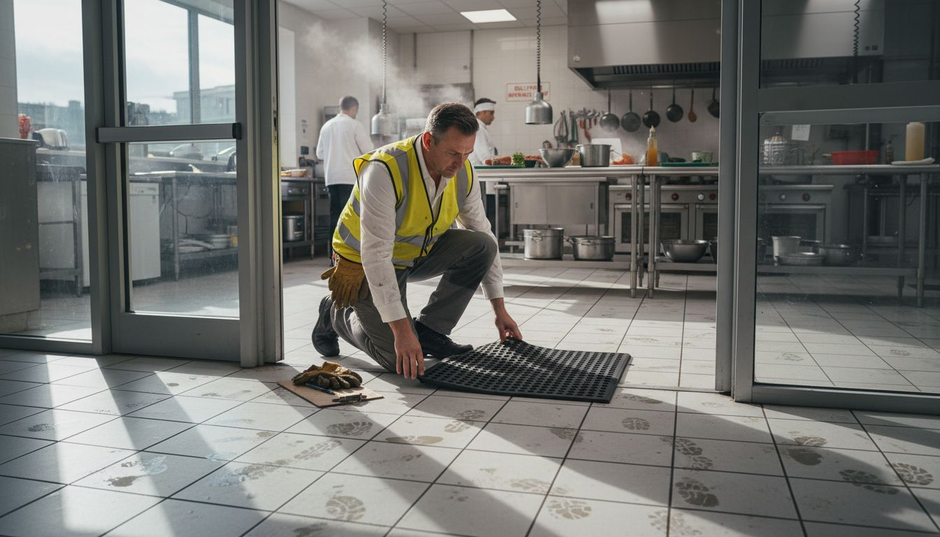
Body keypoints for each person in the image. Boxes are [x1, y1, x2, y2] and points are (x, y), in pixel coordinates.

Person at [313, 103, 523, 379]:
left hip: (414, 254)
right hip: (363, 263)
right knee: (395, 359)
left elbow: (484, 231)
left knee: (482, 244)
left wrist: (500, 309)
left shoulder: (464, 172)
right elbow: (376, 255)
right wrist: (401, 332)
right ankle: (335, 312)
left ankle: (430, 331)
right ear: (428, 141)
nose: (460, 164)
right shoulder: (384, 169)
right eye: (452, 153)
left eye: (466, 154)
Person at [315, 96, 373, 258]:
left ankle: (333, 255)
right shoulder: (355, 125)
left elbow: (319, 153)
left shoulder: (326, 126)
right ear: (353, 109)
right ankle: (350, 256)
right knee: (352, 217)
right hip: (350, 178)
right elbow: (368, 150)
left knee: (335, 216)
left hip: (332, 178)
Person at [468, 98, 497, 166]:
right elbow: (485, 158)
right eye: (491, 113)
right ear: (482, 112)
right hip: (480, 171)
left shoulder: (480, 128)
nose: (493, 117)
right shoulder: (478, 129)